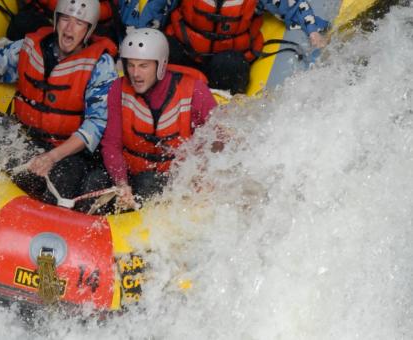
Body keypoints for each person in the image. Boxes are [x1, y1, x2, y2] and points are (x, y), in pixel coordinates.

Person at [0, 0, 118, 207]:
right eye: (65, 19)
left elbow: (96, 125)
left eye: (79, 23)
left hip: (66, 154)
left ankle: (43, 221)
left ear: (89, 30)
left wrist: (52, 157)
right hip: (28, 143)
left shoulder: (101, 65)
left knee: (67, 175)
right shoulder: (29, 47)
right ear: (56, 21)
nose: (69, 28)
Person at [94, 28, 218, 210]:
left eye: (143, 66)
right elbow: (112, 144)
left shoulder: (195, 91)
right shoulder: (118, 89)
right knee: (94, 181)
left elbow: (218, 139)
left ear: (160, 65)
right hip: (130, 173)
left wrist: (201, 177)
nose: (135, 74)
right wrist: (121, 183)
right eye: (131, 65)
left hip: (173, 181)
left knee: (147, 183)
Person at [164, 0, 331, 94]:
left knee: (230, 63)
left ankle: (223, 103)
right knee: (162, 45)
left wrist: (313, 33)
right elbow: (155, 11)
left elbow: (294, 7)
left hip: (226, 63)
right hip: (186, 51)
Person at [6, 0, 117, 41]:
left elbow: (110, 7)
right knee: (23, 23)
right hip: (47, 18)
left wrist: (86, 11)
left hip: (88, 24)